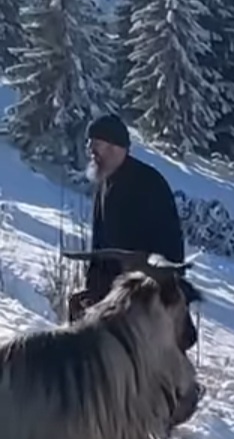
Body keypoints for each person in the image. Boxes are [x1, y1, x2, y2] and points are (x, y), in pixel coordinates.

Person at [69, 112, 185, 319]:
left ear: (115, 148)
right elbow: (100, 248)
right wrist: (92, 291)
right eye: (90, 144)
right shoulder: (104, 182)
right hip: (108, 298)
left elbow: (169, 252)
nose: (90, 151)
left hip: (141, 303)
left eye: (96, 144)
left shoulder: (149, 185)